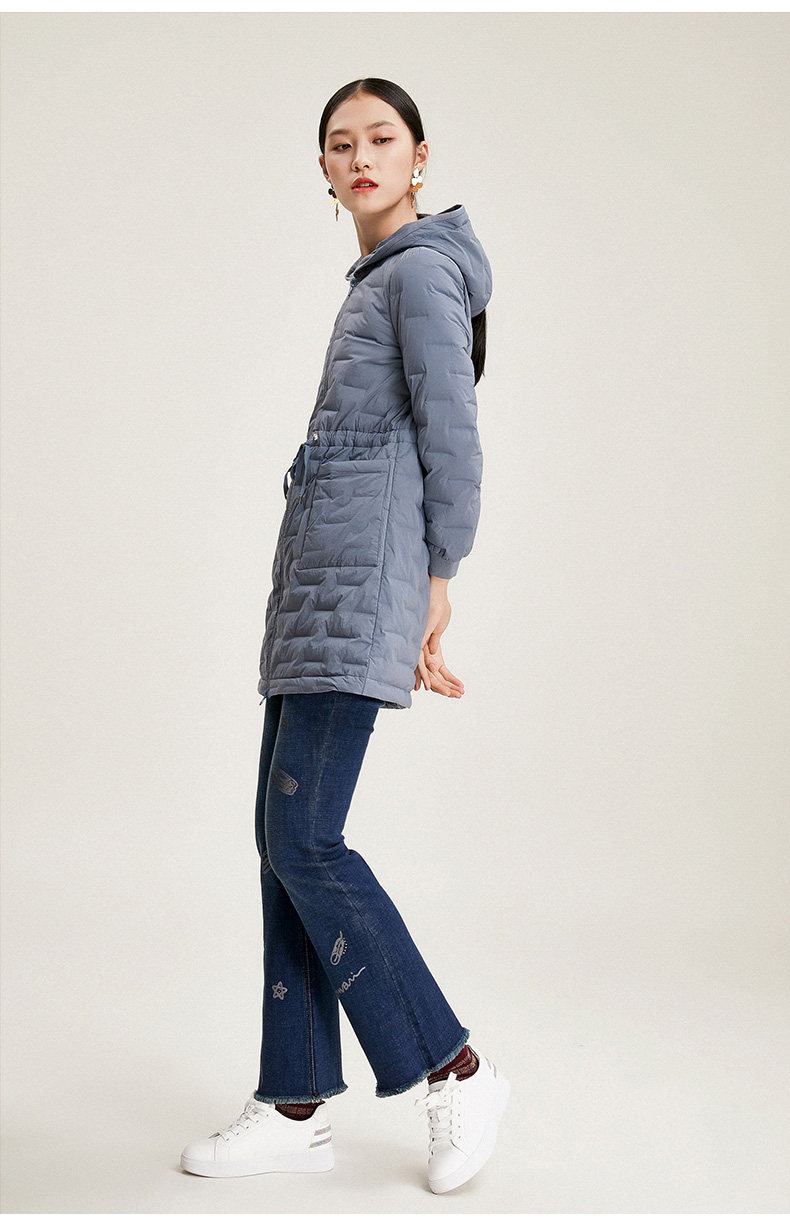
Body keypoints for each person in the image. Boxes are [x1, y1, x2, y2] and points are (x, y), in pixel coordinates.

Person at [180, 77, 509, 1195]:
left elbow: (453, 435)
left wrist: (437, 579)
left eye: (381, 138)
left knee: (305, 838)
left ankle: (456, 1068)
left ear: (420, 155)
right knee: (281, 840)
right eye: (339, 144)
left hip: (357, 591)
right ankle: (295, 1099)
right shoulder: (379, 279)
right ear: (323, 171)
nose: (360, 157)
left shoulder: (419, 272)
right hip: (317, 594)